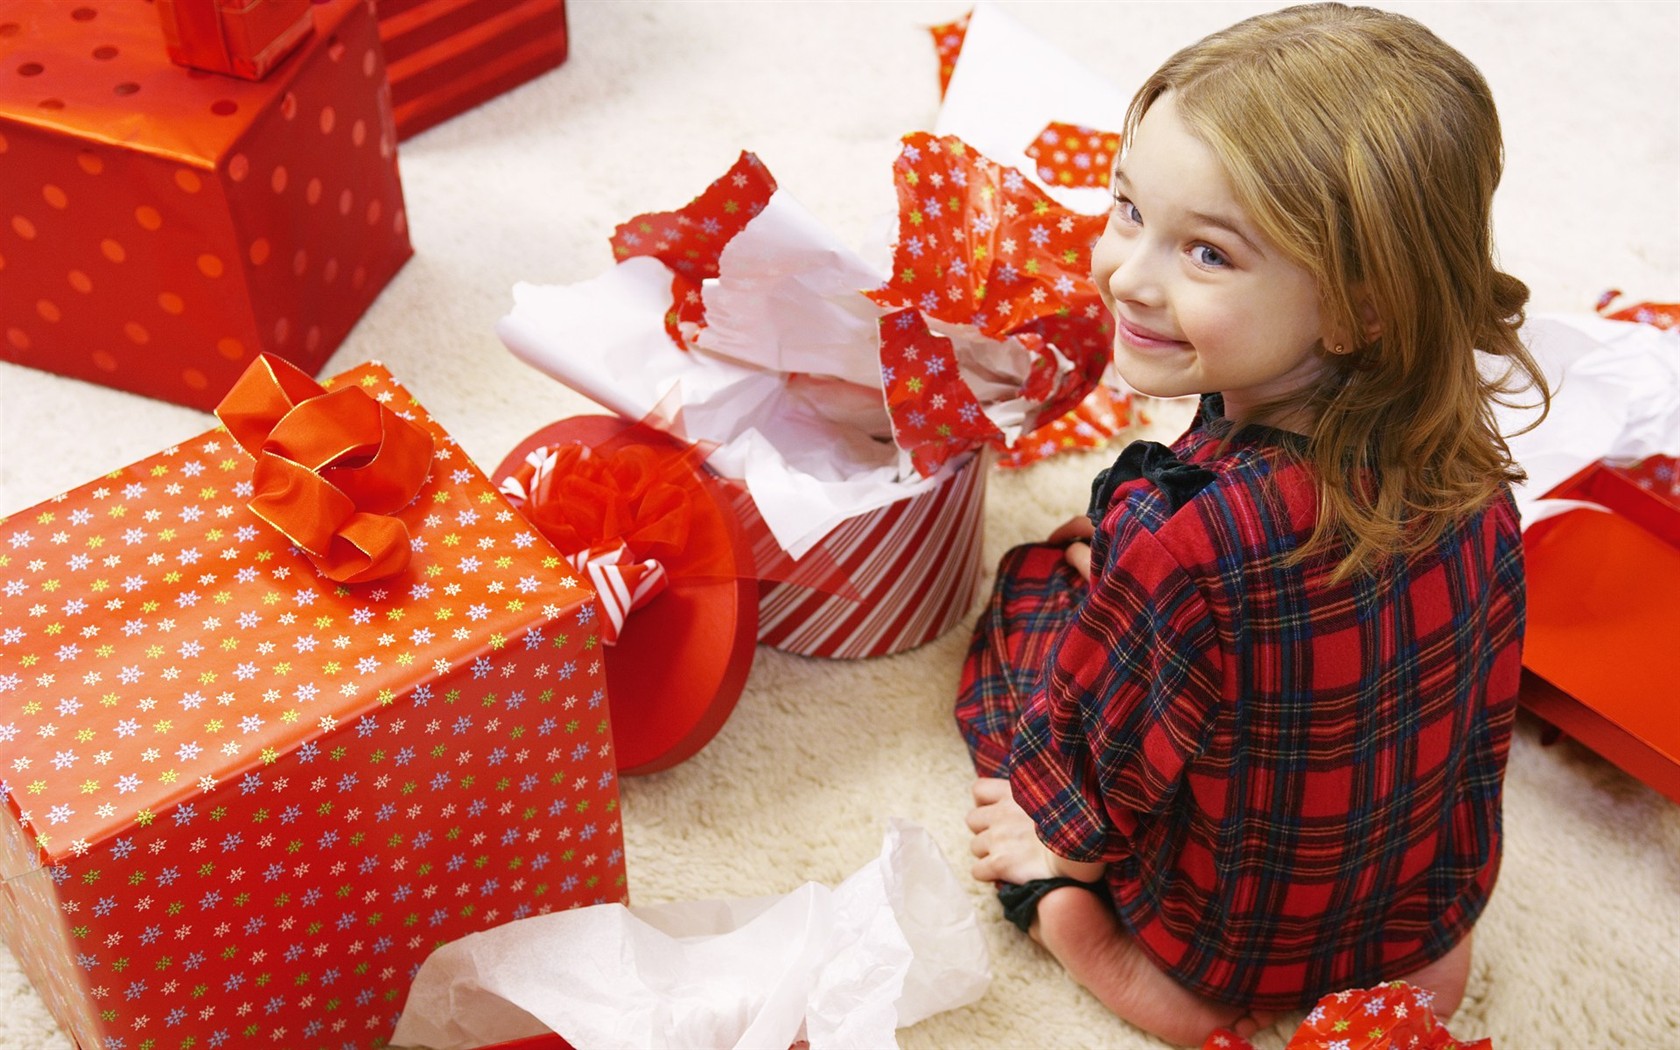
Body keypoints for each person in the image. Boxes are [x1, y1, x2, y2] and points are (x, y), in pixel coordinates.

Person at [955, 4, 1551, 1045]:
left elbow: (1104, 763)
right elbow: (1474, 708)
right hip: (1421, 895)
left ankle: (1113, 957)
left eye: (1210, 256)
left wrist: (1063, 848)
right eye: (1129, 209)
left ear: (1361, 309)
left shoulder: (1178, 540)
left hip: (1221, 930)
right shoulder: (1477, 478)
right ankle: (1412, 963)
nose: (1129, 275)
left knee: (1032, 597)